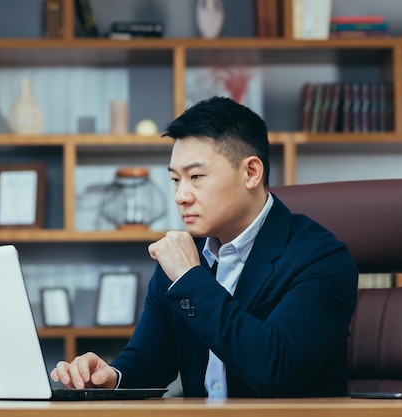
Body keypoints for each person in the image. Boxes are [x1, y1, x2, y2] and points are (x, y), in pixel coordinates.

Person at [51, 96, 358, 398]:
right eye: (175, 179)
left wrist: (189, 278)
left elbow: (275, 368)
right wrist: (112, 377)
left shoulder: (322, 258)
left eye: (196, 177)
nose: (180, 196)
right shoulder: (184, 254)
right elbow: (149, 361)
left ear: (251, 173)